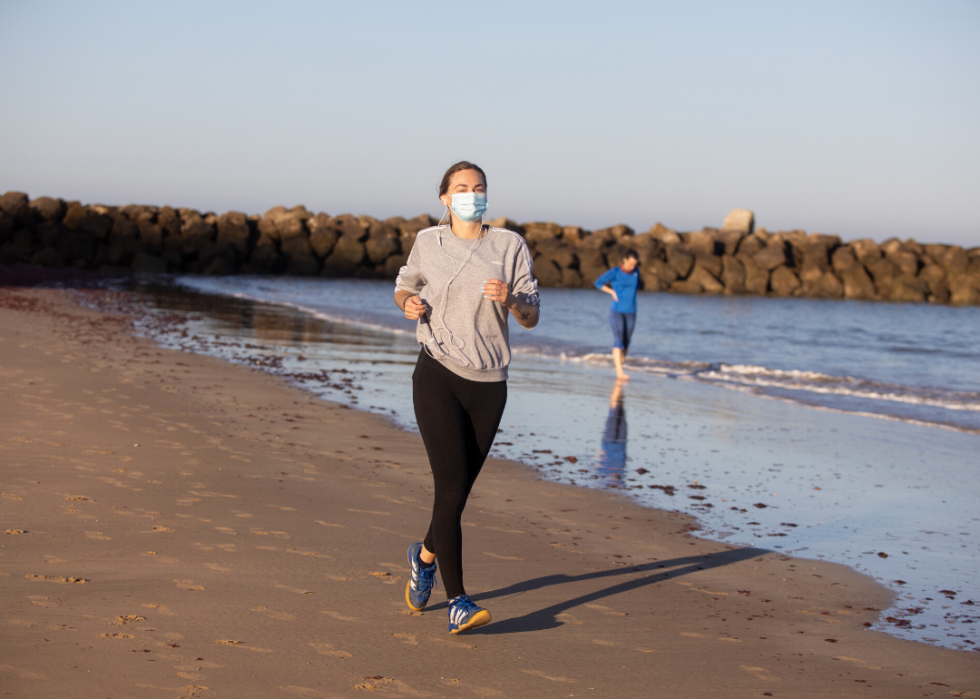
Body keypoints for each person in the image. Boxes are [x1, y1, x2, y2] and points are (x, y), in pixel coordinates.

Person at [393, 161, 540, 634]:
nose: (470, 194)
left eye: (478, 188)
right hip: (436, 371)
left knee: (457, 494)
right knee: (450, 487)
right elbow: (403, 287)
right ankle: (458, 601)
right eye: (461, 188)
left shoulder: (509, 245)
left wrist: (513, 302)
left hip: (490, 383)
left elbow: (532, 314)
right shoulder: (427, 242)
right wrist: (409, 304)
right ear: (445, 198)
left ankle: (425, 555)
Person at [595, 249, 640, 379]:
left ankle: (618, 366)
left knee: (626, 342)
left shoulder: (637, 272)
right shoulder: (615, 272)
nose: (633, 267)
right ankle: (619, 372)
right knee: (619, 340)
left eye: (635, 265)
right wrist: (611, 292)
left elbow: (637, 287)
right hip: (617, 310)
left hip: (632, 311)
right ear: (625, 260)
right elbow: (598, 283)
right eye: (631, 264)